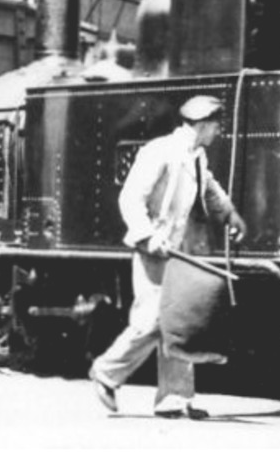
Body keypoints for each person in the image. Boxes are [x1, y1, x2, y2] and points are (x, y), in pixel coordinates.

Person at [88, 94, 246, 420]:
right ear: (202, 125)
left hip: (177, 252)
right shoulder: (159, 151)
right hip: (153, 249)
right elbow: (131, 198)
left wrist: (229, 214)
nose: (218, 132)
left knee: (180, 319)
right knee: (152, 320)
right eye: (216, 126)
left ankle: (175, 398)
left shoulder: (196, 156)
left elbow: (210, 187)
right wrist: (147, 235)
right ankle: (106, 372)